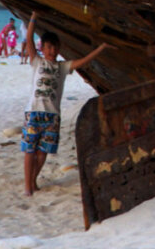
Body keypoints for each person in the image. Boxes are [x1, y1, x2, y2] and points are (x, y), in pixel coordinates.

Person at [20, 23, 107, 194]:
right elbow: (29, 40)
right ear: (42, 48)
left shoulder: (62, 67)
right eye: (48, 47)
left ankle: (33, 180)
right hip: (34, 112)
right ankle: (28, 186)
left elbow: (84, 61)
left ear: (59, 49)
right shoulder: (37, 62)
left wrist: (101, 48)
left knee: (43, 152)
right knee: (30, 151)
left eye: (55, 48)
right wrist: (33, 19)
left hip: (52, 116)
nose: (52, 51)